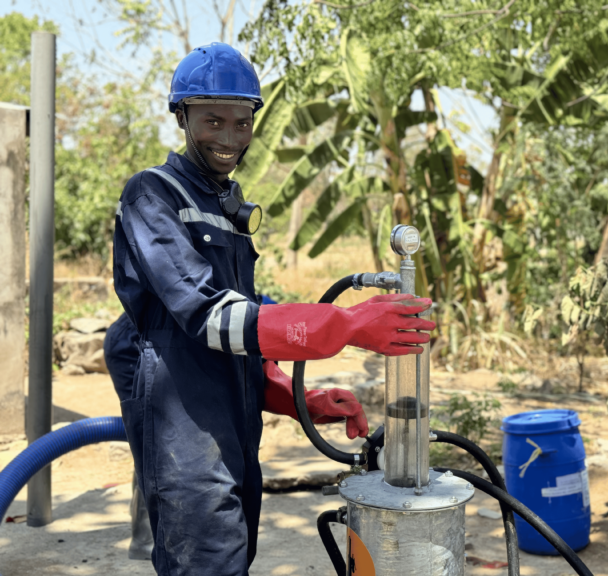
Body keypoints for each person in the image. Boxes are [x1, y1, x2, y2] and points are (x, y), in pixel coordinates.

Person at [112, 42, 434, 575]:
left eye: (243, 122)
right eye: (213, 120)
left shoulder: (227, 206)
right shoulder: (152, 195)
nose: (230, 138)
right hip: (185, 439)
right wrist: (347, 325)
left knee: (235, 556)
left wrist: (297, 398)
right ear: (181, 116)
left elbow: (244, 330)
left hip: (234, 435)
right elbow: (209, 317)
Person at [103, 290, 278, 560]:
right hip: (134, 346)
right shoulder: (251, 318)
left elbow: (260, 378)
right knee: (162, 445)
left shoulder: (263, 316)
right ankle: (148, 539)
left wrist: (308, 402)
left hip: (188, 345)